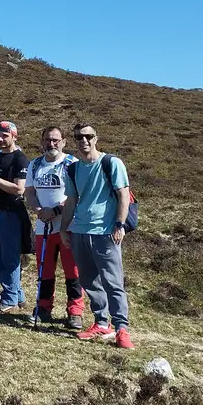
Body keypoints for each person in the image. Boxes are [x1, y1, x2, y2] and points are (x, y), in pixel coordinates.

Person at [60, 123, 134, 349]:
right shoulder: (73, 168)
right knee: (89, 281)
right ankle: (102, 323)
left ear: (96, 138)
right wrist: (64, 228)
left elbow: (123, 195)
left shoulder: (111, 163)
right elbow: (71, 201)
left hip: (105, 232)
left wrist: (119, 225)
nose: (83, 140)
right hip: (80, 231)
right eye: (78, 137)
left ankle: (121, 329)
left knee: (113, 281)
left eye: (88, 136)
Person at [26, 126, 84, 329]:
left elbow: (76, 194)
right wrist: (38, 210)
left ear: (63, 142)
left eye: (55, 140)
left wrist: (57, 210)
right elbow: (30, 192)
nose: (51, 144)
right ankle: (43, 308)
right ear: (42, 141)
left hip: (69, 226)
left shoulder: (72, 163)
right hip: (43, 227)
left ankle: (75, 311)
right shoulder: (34, 164)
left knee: (72, 270)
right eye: (47, 140)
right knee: (45, 270)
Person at [0, 121, 30, 313]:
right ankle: (18, 295)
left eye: (4, 136)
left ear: (14, 136)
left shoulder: (20, 159)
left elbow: (19, 188)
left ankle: (10, 299)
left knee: (9, 257)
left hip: (11, 212)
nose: (0, 139)